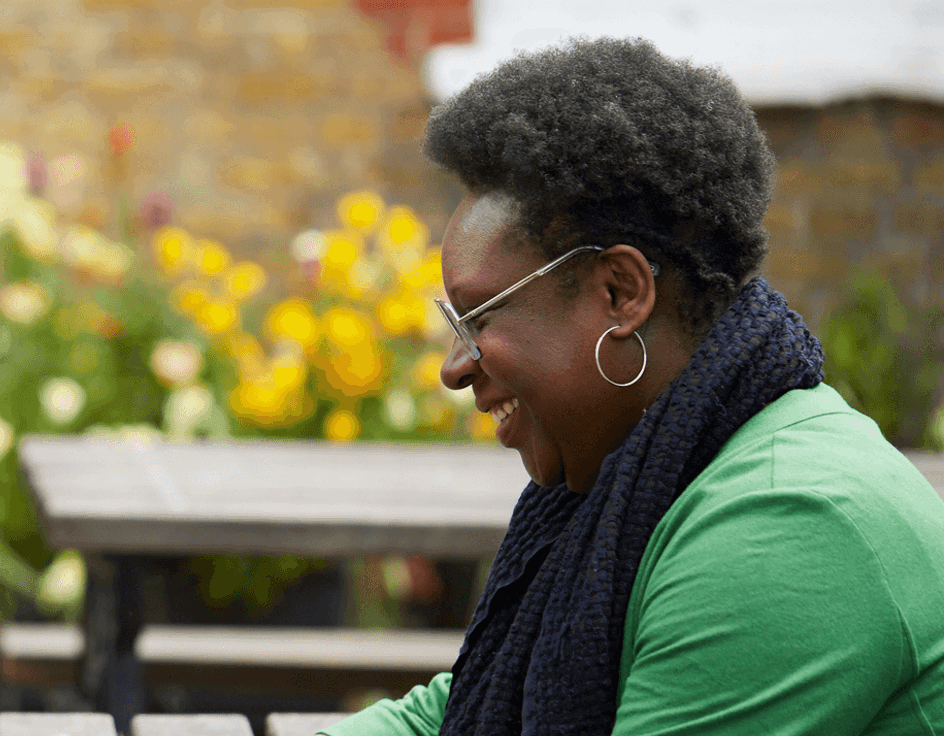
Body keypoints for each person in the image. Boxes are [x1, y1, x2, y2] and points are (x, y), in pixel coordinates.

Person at [323, 38, 944, 735]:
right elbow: (467, 709)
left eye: (479, 318)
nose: (454, 366)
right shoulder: (652, 474)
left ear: (621, 292)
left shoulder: (787, 525)